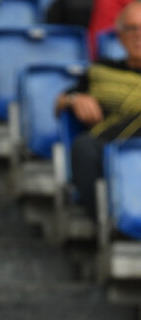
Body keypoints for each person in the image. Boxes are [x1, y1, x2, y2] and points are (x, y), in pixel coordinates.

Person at [55, 0, 141, 215]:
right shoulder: (100, 71)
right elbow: (60, 101)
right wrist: (75, 99)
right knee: (84, 147)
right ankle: (108, 222)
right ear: (118, 34)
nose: (138, 35)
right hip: (110, 146)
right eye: (131, 28)